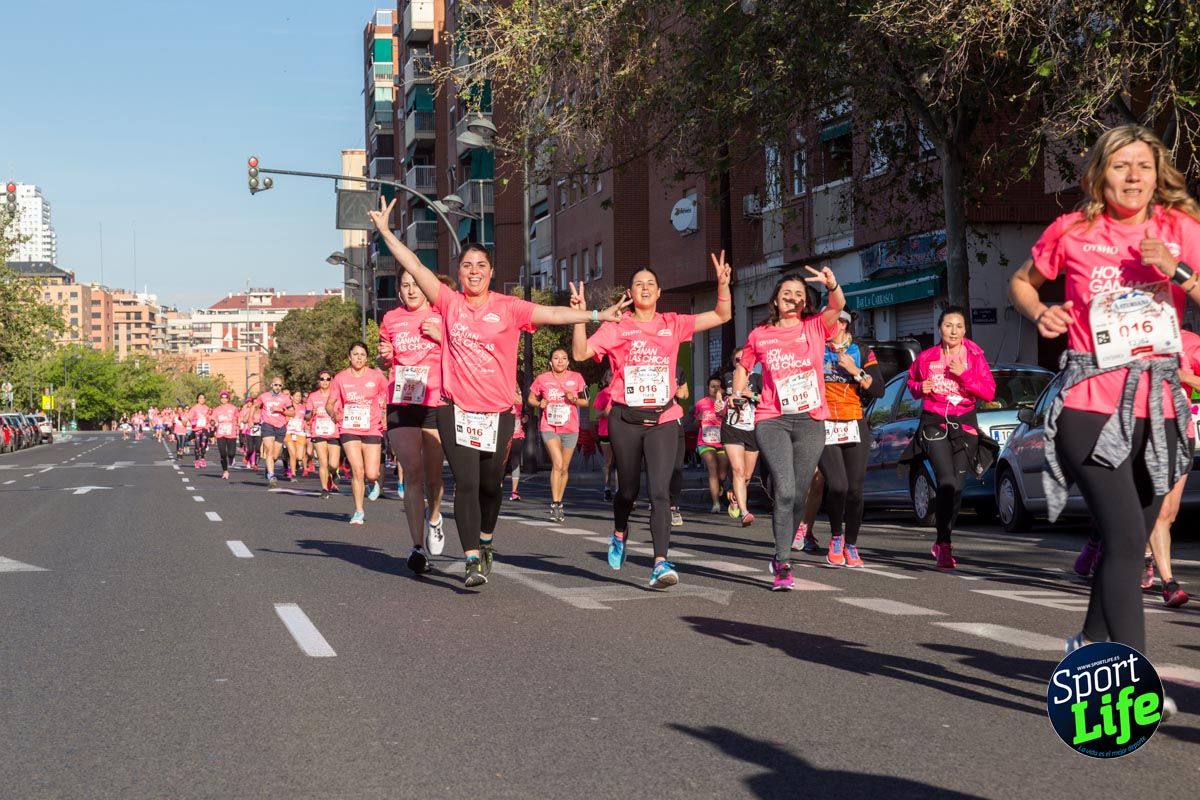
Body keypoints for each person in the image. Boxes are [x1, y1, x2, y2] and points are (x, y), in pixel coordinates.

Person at [1009, 124, 1199, 685]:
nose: (1133, 176)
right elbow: (1021, 282)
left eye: (1143, 166)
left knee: (1131, 540)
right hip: (1088, 401)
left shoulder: (1179, 229)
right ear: (1098, 175)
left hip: (1160, 408)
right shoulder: (1072, 230)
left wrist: (1177, 271)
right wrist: (1038, 311)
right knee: (1123, 538)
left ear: (1157, 175)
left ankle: (1089, 640)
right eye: (1121, 165)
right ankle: (1132, 677)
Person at [371, 196, 626, 587]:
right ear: (459, 272)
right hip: (455, 409)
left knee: (491, 486)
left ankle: (486, 540)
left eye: (481, 266)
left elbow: (552, 314)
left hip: (498, 413)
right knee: (466, 484)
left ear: (491, 272)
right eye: (467, 266)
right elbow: (415, 266)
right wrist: (386, 232)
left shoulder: (509, 308)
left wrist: (596, 315)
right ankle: (472, 559)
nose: (474, 272)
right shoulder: (449, 303)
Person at [573, 254, 732, 589]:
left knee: (660, 492)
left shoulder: (673, 323)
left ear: (659, 292)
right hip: (625, 419)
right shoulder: (617, 326)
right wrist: (581, 316)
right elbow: (580, 353)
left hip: (664, 418)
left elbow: (722, 314)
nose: (644, 288)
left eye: (650, 284)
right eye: (638, 284)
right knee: (628, 491)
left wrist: (722, 286)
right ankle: (620, 531)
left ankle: (660, 563)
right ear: (630, 293)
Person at [733, 266, 844, 590]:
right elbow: (744, 365)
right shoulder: (761, 334)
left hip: (810, 420)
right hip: (773, 419)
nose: (793, 298)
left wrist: (832, 284)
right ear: (776, 300)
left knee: (798, 493)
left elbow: (837, 306)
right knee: (784, 488)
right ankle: (783, 562)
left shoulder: (814, 327)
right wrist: (737, 392)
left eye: (798, 294)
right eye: (787, 293)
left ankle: (782, 548)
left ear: (805, 301)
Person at [902, 307, 997, 569]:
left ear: (965, 330)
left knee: (957, 487)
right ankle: (944, 546)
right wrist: (920, 387)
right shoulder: (927, 357)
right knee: (945, 481)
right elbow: (911, 383)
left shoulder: (975, 356)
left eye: (959, 326)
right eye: (948, 325)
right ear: (939, 328)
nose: (953, 331)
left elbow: (989, 392)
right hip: (934, 423)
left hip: (964, 424)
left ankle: (942, 539)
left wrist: (964, 374)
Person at [378, 269, 450, 573]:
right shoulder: (390, 319)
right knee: (412, 472)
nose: (411, 290)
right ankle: (417, 547)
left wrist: (441, 337)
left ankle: (434, 517)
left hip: (435, 400)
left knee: (434, 477)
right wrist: (384, 357)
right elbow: (385, 358)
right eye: (405, 285)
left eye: (416, 285)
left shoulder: (442, 314)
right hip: (402, 400)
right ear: (398, 290)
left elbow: (461, 353)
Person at [818, 310, 884, 567]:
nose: (827, 326)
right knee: (837, 486)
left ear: (844, 324)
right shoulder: (815, 348)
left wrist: (855, 370)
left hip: (854, 422)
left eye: (833, 321)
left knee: (855, 490)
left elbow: (879, 389)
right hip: (824, 423)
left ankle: (852, 544)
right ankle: (836, 536)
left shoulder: (862, 350)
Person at [326, 342, 388, 525]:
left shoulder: (376, 377)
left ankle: (373, 482)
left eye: (362, 354)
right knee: (357, 470)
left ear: (367, 358)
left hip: (372, 427)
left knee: (372, 473)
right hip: (349, 427)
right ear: (349, 357)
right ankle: (359, 511)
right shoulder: (340, 378)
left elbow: (389, 396)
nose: (359, 358)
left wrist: (386, 415)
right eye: (355, 354)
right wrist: (333, 414)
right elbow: (330, 404)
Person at [529, 348, 588, 522]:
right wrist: (539, 403)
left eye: (563, 358)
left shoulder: (576, 377)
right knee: (558, 463)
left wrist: (574, 399)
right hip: (549, 426)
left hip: (570, 428)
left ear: (568, 362)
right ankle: (555, 503)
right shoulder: (542, 379)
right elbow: (531, 399)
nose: (560, 361)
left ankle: (559, 502)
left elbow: (586, 402)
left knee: (564, 468)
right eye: (556, 358)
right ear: (550, 362)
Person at [721, 348, 761, 527]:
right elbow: (720, 394)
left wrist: (750, 394)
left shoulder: (758, 379)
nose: (740, 362)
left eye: (743, 359)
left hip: (752, 428)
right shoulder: (728, 377)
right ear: (733, 362)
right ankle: (745, 512)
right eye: (737, 360)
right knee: (738, 469)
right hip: (731, 427)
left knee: (746, 475)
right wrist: (720, 402)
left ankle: (735, 494)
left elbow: (768, 400)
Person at [693, 375, 729, 513]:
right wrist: (698, 419)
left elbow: (732, 422)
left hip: (722, 441)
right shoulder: (701, 403)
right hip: (705, 442)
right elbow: (695, 424)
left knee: (722, 474)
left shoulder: (726, 402)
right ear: (708, 388)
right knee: (712, 469)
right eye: (712, 386)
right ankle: (716, 504)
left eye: (718, 387)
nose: (715, 389)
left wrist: (723, 414)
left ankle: (720, 485)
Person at [306, 370, 342, 499]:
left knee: (333, 464)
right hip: (318, 432)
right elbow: (306, 416)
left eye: (328, 379)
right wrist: (312, 413)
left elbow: (342, 412)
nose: (325, 381)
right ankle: (324, 489)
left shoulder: (337, 396)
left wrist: (338, 415)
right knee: (322, 462)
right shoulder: (312, 396)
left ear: (331, 380)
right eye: (322, 379)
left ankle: (334, 473)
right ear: (318, 381)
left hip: (334, 432)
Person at [255, 376, 295, 489]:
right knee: (270, 450)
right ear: (271, 385)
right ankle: (272, 476)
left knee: (276, 455)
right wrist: (250, 419)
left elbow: (292, 413)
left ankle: (268, 469)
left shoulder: (285, 398)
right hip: (267, 426)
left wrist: (281, 410)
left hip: (281, 427)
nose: (277, 387)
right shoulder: (263, 396)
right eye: (276, 385)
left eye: (280, 385)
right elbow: (255, 406)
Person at [594, 376, 615, 501]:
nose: (613, 377)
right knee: (609, 462)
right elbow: (596, 414)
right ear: (606, 379)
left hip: (623, 431)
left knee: (623, 462)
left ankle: (621, 490)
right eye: (610, 375)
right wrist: (605, 413)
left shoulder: (625, 391)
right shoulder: (602, 394)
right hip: (606, 431)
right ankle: (607, 488)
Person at [211, 391, 241, 479]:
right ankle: (225, 471)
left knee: (231, 453)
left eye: (225, 398)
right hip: (220, 433)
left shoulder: (233, 408)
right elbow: (213, 419)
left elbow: (239, 417)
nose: (224, 399)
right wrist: (212, 423)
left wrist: (238, 425)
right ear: (220, 399)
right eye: (222, 398)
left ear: (228, 399)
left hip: (231, 433)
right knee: (223, 453)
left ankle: (231, 458)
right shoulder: (216, 410)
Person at [506, 386, 527, 501]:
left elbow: (525, 412)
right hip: (503, 435)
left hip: (517, 434)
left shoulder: (521, 399)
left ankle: (514, 491)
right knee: (502, 462)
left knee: (515, 461)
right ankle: (497, 487)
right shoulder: (502, 398)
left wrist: (525, 417)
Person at [284, 390, 310, 481]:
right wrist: (288, 418)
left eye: (299, 396)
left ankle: (294, 467)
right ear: (292, 397)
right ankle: (293, 474)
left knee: (299, 456)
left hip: (300, 433)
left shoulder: (304, 407)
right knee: (292, 454)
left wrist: (307, 424)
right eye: (296, 396)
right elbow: (284, 418)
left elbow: (306, 418)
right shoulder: (287, 407)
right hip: (289, 432)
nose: (298, 398)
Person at [185, 393, 213, 470]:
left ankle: (202, 458)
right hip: (197, 429)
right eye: (200, 398)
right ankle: (197, 460)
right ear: (197, 399)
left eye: (203, 398)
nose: (202, 399)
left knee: (203, 444)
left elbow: (210, 418)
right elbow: (190, 417)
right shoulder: (194, 408)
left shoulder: (207, 408)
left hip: (205, 428)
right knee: (197, 445)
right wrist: (194, 420)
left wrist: (209, 420)